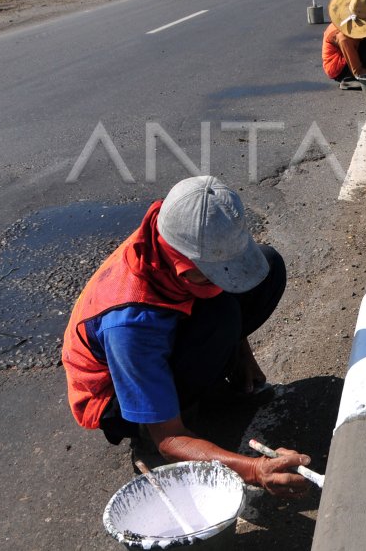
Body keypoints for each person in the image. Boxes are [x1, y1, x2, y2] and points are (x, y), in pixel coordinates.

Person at [61, 176, 311, 499]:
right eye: (215, 274)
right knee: (223, 317)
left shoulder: (178, 226)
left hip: (163, 323)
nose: (225, 281)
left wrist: (241, 354)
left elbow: (224, 289)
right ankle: (147, 426)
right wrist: (255, 470)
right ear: (183, 268)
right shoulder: (130, 326)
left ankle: (204, 387)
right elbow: (171, 440)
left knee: (268, 268)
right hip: (113, 394)